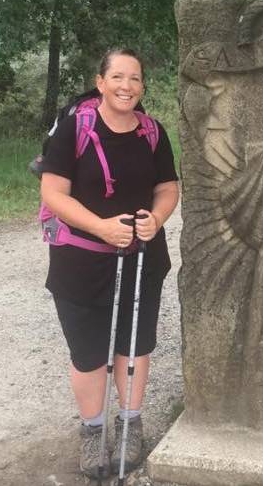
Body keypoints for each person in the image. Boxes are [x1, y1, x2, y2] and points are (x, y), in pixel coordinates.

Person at [40, 48, 179, 478]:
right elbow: (54, 193)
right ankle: (92, 430)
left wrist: (156, 219)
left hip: (141, 256)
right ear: (100, 82)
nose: (127, 86)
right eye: (118, 77)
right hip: (80, 260)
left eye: (135, 79)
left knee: (134, 345)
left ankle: (130, 423)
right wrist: (101, 227)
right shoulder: (72, 130)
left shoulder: (152, 132)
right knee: (88, 352)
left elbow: (168, 187)